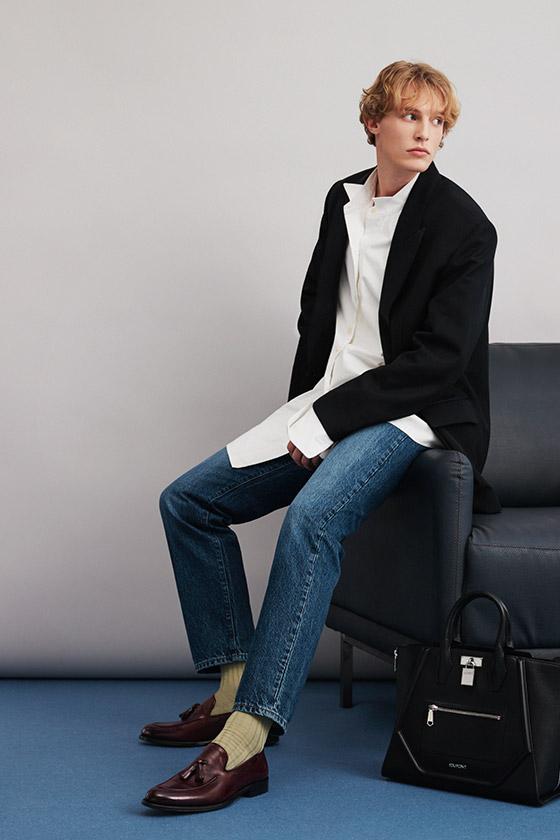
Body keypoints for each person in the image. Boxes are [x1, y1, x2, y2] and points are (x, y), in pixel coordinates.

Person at [140, 60, 500, 813]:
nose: (426, 132)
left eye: (437, 121)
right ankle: (231, 686)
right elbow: (318, 316)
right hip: (331, 400)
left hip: (416, 415)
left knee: (310, 521)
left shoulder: (465, 226)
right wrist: (301, 414)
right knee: (189, 503)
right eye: (410, 116)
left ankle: (246, 741)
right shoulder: (342, 199)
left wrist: (328, 423)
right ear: (373, 121)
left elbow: (439, 361)